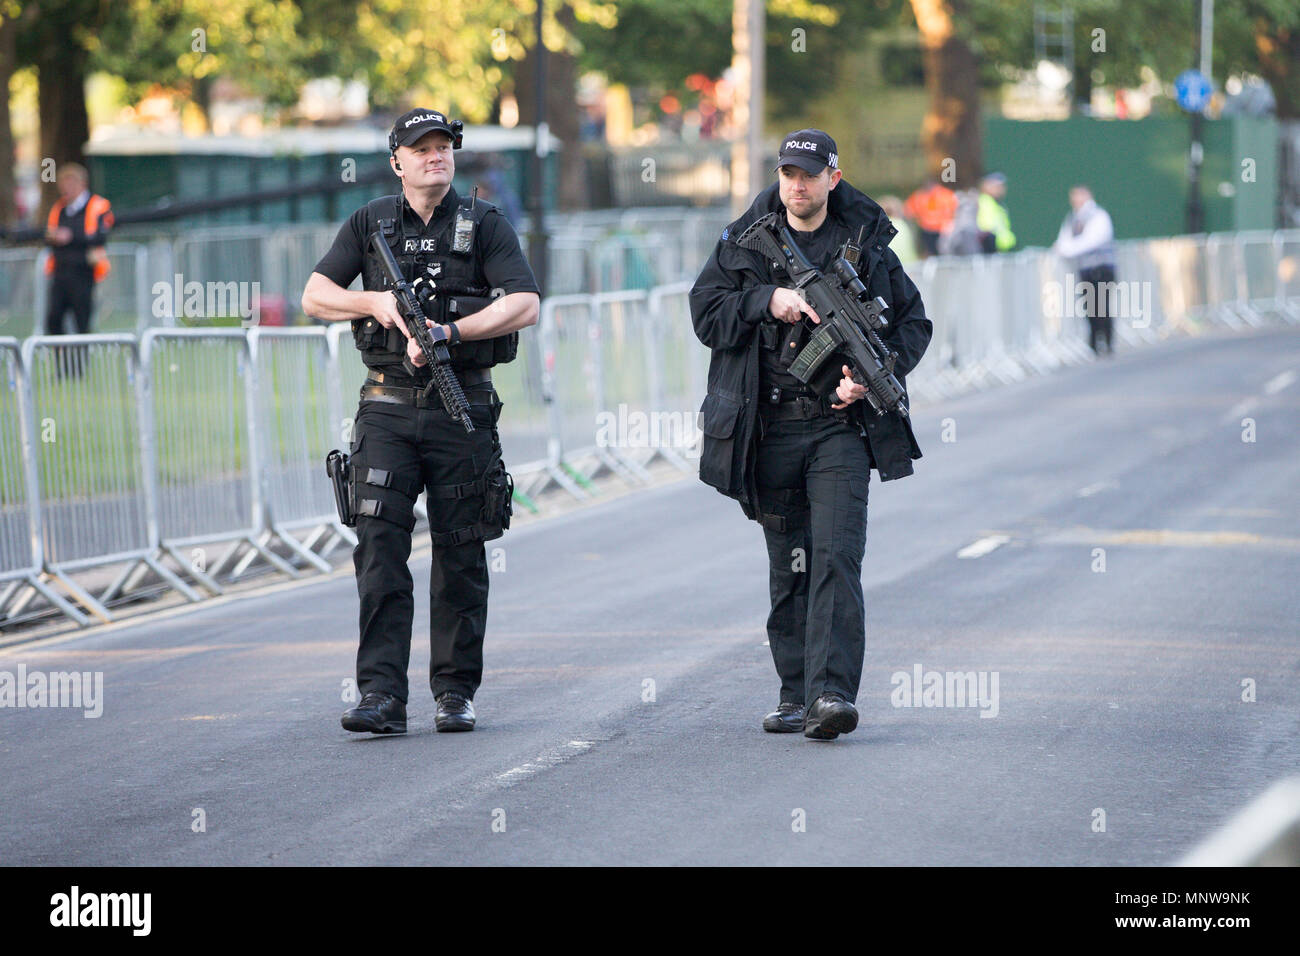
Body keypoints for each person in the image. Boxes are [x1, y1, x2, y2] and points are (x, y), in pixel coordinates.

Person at [301, 109, 540, 734]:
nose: (436, 156)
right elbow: (314, 294)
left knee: (461, 549)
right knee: (379, 546)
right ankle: (381, 695)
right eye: (422, 148)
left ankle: (454, 691)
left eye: (444, 147)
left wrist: (450, 331)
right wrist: (374, 301)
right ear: (397, 162)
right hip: (386, 407)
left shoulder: (484, 222)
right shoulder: (370, 221)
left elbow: (525, 303)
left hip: (463, 407)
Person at [690, 129, 932, 740]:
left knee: (836, 556)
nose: (797, 185)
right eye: (787, 174)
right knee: (789, 562)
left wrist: (872, 379)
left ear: (833, 177)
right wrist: (769, 300)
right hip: (768, 423)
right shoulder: (746, 240)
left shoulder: (866, 242)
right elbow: (705, 313)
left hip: (840, 428)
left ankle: (832, 695)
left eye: (809, 174)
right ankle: (794, 693)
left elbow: (913, 322)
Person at [44, 164, 113, 371]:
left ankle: (79, 368)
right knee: (53, 319)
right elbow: (49, 235)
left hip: (83, 272)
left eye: (71, 183)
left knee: (81, 320)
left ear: (82, 184)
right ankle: (62, 366)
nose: (67, 188)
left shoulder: (98, 205)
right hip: (61, 272)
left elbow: (101, 235)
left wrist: (71, 237)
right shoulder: (60, 208)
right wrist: (53, 237)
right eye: (64, 183)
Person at [1052, 185, 1116, 355]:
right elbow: (1064, 239)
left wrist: (1067, 249)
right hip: (1086, 269)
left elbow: (1092, 240)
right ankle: (1094, 343)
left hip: (1102, 268)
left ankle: (1107, 341)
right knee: (1089, 307)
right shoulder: (1073, 218)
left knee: (1101, 305)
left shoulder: (1098, 216)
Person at [904, 177, 956, 257]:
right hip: (927, 230)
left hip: (942, 230)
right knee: (931, 253)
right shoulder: (919, 195)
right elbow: (909, 211)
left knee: (942, 253)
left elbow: (954, 210)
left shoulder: (945, 195)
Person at [976, 172, 1015, 253]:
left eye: (1002, 186)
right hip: (990, 250)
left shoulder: (998, 204)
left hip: (1001, 250)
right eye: (997, 186)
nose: (1001, 189)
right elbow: (986, 229)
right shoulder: (984, 201)